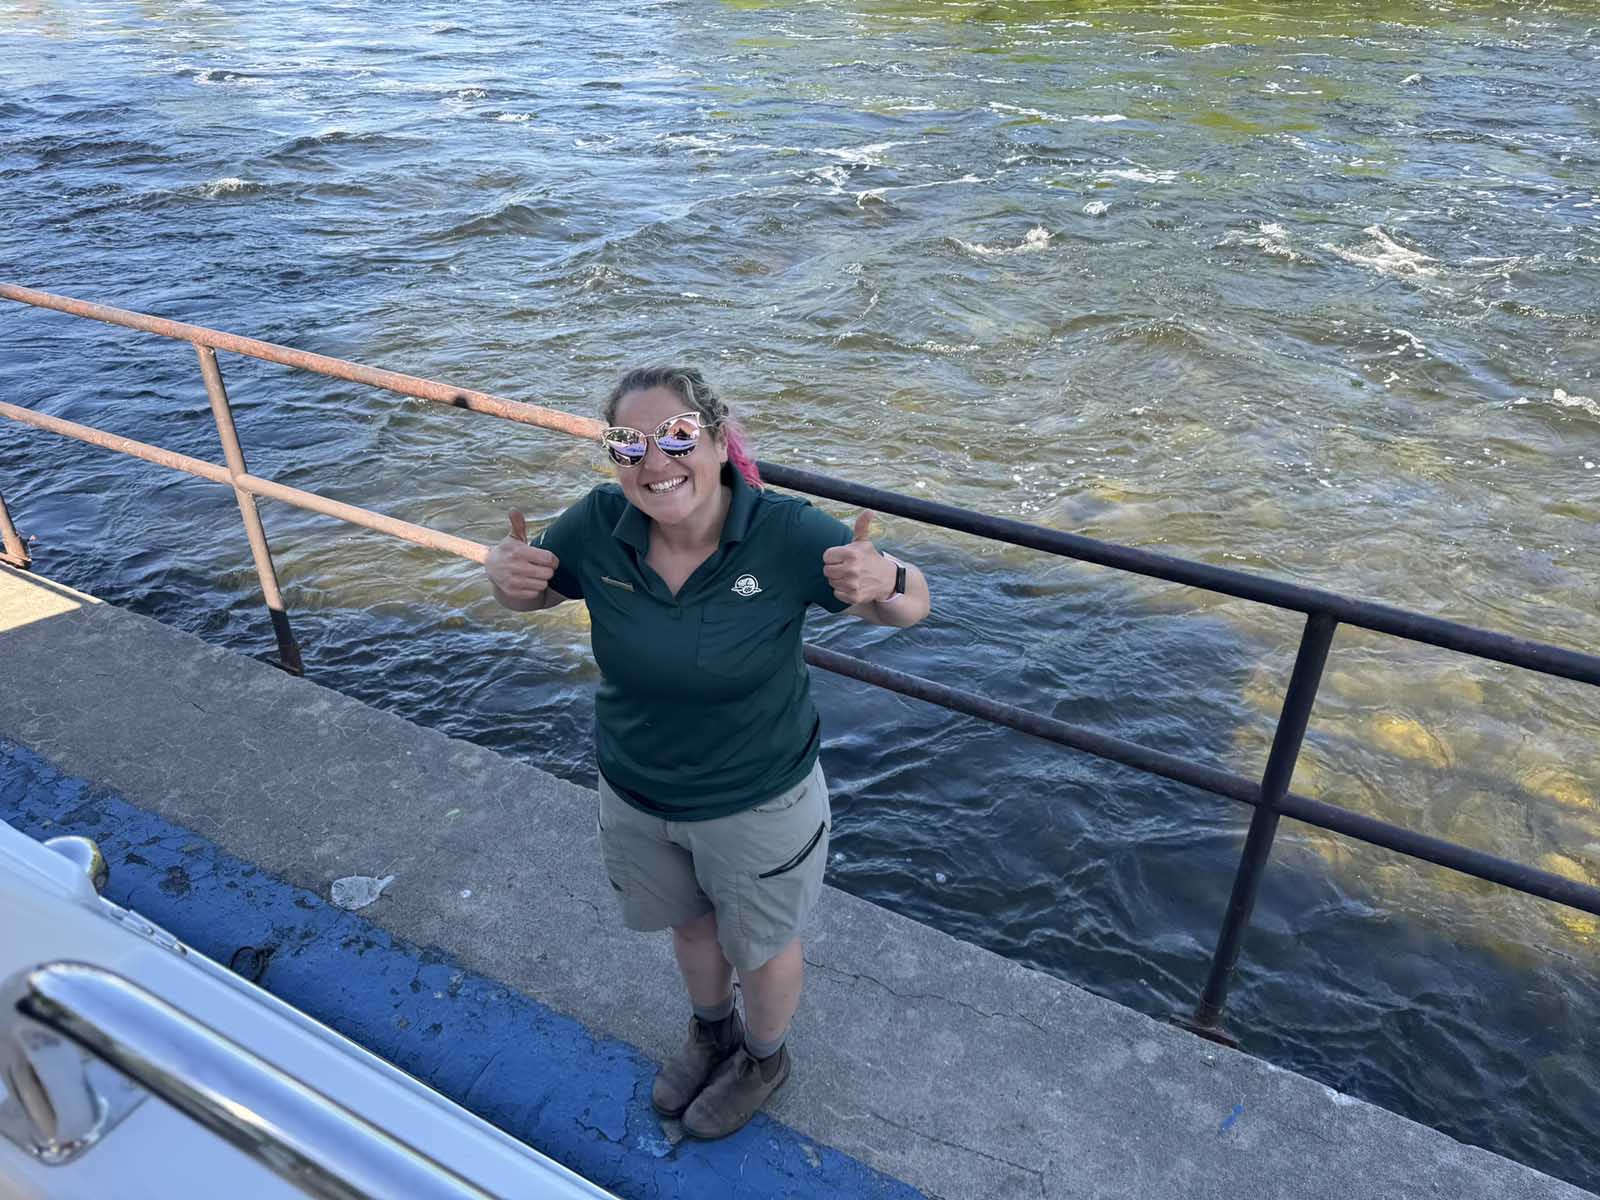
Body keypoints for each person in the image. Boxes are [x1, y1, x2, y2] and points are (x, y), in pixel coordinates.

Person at [484, 366, 930, 1139]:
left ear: (720, 443)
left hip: (758, 801)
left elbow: (910, 606)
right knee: (689, 930)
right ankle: (710, 1033)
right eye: (630, 444)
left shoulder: (785, 533)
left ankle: (763, 1058)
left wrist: (884, 576)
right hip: (637, 792)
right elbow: (541, 588)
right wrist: (506, 578)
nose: (656, 463)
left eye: (678, 437)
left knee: (759, 948)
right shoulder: (597, 524)